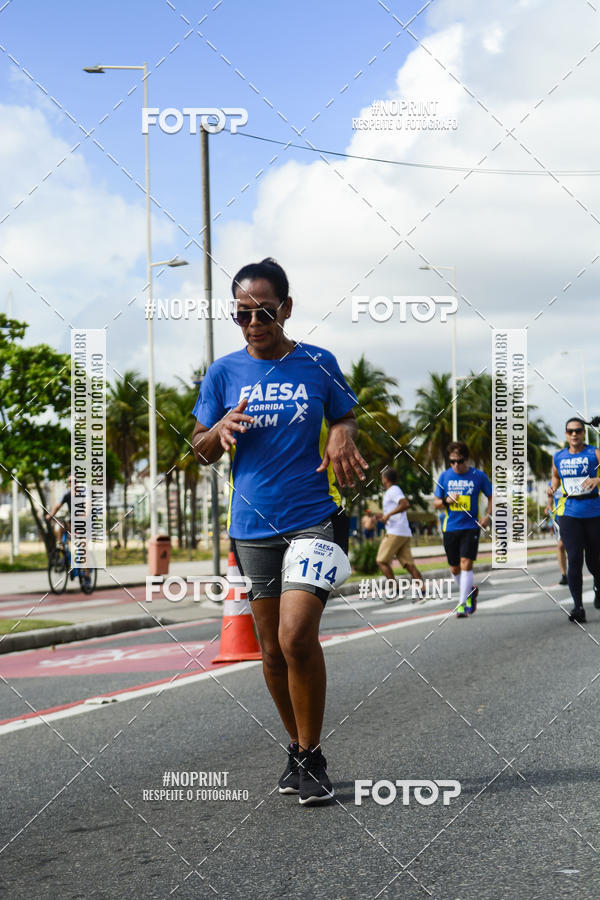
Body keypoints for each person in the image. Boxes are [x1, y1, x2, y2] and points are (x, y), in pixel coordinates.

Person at [191, 257, 367, 805]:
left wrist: (341, 431)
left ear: (286, 309)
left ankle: (313, 756)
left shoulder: (318, 363)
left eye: (263, 311)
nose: (253, 323)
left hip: (314, 517)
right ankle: (295, 745)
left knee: (295, 637)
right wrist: (217, 430)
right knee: (269, 651)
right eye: (241, 314)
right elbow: (199, 449)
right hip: (251, 526)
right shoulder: (222, 374)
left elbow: (344, 413)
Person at [548, 417, 600, 623]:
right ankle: (578, 607)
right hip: (569, 513)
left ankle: (597, 582)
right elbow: (555, 477)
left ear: (583, 433)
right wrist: (552, 488)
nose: (574, 434)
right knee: (575, 559)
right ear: (566, 434)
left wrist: (597, 479)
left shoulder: (594, 452)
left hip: (594, 512)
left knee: (595, 560)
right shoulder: (558, 457)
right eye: (570, 431)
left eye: (578, 430)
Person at [433, 441, 493, 618]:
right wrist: (447, 501)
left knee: (466, 563)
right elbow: (436, 503)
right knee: (454, 568)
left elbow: (492, 497)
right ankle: (469, 592)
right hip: (450, 527)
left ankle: (461, 604)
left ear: (466, 459)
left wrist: (488, 517)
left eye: (459, 461)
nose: (456, 465)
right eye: (452, 462)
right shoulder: (444, 477)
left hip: (470, 527)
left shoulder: (478, 476)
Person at [376, 467, 424, 601]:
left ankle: (396, 590)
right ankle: (423, 592)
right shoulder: (392, 491)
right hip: (403, 531)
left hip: (395, 532)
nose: (381, 479)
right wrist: (384, 516)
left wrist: (389, 515)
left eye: (382, 477)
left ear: (386, 479)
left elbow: (405, 504)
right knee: (409, 564)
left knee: (381, 561)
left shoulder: (393, 490)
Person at [545, 481, 568, 585]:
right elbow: (550, 494)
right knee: (560, 545)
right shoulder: (553, 480)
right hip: (559, 516)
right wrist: (549, 506)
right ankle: (564, 575)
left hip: (577, 513)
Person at [46, 474, 72, 541]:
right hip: (72, 520)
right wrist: (50, 515)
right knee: (61, 524)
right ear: (68, 483)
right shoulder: (67, 494)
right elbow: (57, 506)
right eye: (70, 481)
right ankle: (60, 545)